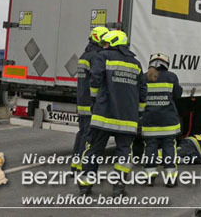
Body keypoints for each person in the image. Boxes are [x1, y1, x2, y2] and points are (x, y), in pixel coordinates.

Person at [78, 30, 146, 196]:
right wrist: (139, 114)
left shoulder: (103, 56)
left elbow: (95, 79)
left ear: (114, 43)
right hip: (127, 119)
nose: (104, 47)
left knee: (94, 149)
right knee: (124, 152)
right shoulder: (136, 64)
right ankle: (119, 187)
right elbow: (143, 91)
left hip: (103, 115)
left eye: (106, 43)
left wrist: (94, 100)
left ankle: (86, 185)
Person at [140, 53, 183, 187]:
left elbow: (140, 97)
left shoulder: (144, 77)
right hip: (168, 121)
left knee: (150, 148)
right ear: (166, 64)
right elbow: (178, 94)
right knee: (169, 147)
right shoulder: (171, 77)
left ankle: (149, 177)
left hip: (149, 121)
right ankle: (170, 179)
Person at [71, 26, 109, 172]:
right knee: (88, 134)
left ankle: (75, 163)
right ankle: (82, 164)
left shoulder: (84, 55)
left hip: (81, 99)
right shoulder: (96, 56)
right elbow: (96, 79)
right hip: (90, 101)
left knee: (81, 133)